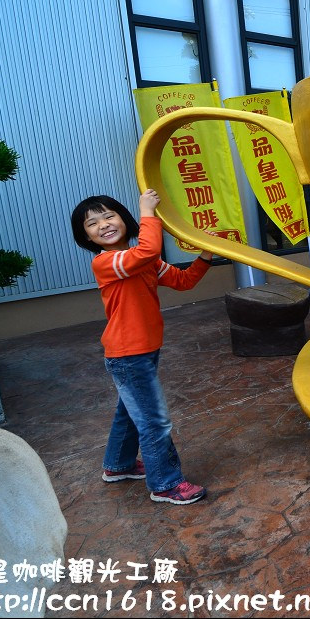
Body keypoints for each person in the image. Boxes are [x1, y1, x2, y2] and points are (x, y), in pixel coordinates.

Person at [70, 189, 215, 505]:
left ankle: (118, 466)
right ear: (87, 237)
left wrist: (205, 255)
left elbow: (183, 281)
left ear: (123, 219)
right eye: (93, 223)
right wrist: (148, 210)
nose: (104, 225)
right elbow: (148, 250)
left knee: (129, 411)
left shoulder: (139, 260)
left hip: (144, 349)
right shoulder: (109, 262)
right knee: (154, 421)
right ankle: (165, 483)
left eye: (109, 215)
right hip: (127, 353)